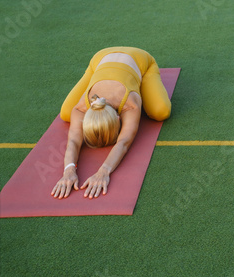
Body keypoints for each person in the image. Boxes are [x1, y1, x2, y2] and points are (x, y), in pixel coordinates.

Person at [51, 47, 171, 200]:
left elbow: (123, 143)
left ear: (119, 118)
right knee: (66, 113)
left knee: (160, 111)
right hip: (100, 57)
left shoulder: (130, 104)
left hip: (139, 58)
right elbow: (74, 140)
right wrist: (68, 171)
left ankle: (146, 72)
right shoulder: (80, 109)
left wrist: (103, 171)